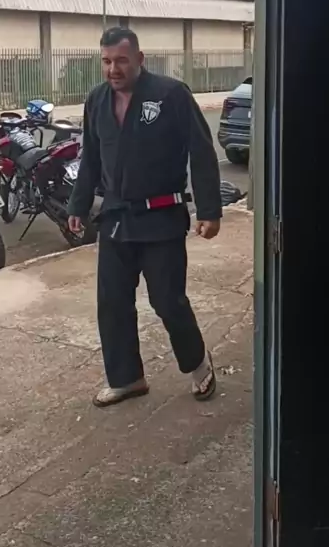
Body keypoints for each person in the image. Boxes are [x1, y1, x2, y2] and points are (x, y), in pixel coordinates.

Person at [68, 26, 222, 408]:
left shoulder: (171, 94)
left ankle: (198, 364)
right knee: (112, 303)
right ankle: (127, 379)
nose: (113, 69)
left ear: (139, 59)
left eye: (121, 60)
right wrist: (78, 205)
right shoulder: (97, 100)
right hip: (116, 218)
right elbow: (90, 158)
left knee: (168, 301)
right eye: (106, 61)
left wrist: (209, 210)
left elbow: (201, 151)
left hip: (161, 217)